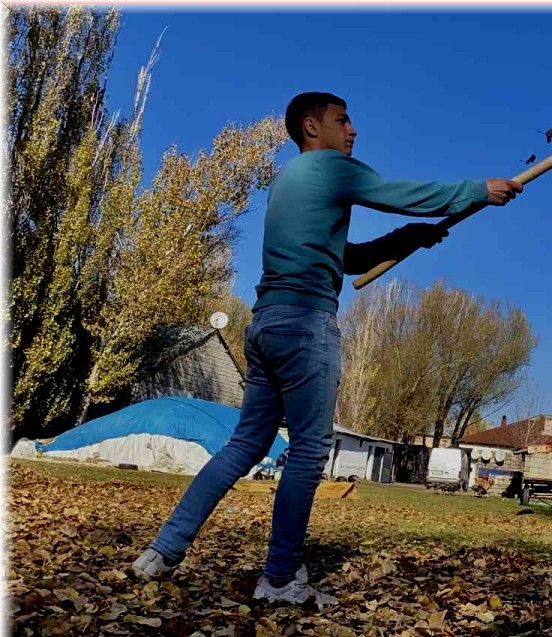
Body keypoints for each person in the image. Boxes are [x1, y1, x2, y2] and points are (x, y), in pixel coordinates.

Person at [131, 92, 522, 607]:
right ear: (312, 128)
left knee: (244, 446)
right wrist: (477, 191)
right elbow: (398, 192)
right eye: (344, 120)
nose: (353, 130)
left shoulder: (288, 182)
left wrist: (407, 239)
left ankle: (161, 551)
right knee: (311, 451)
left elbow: (346, 257)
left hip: (266, 323)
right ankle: (279, 578)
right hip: (304, 325)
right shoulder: (332, 168)